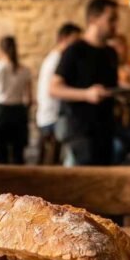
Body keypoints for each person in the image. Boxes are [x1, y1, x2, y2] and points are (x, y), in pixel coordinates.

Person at [50, 0, 119, 166]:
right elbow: (54, 88)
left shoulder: (111, 53)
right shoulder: (74, 51)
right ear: (93, 19)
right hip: (79, 131)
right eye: (111, 19)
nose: (115, 25)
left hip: (106, 129)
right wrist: (87, 94)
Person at [0, 36, 33, 164]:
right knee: (18, 155)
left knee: (1, 156)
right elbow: (29, 99)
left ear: (0, 50)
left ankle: (3, 183)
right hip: (19, 113)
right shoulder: (25, 70)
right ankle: (20, 183)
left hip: (1, 113)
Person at [37, 22, 82, 165]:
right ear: (63, 38)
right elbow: (55, 91)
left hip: (49, 116)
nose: (77, 46)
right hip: (53, 118)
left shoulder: (54, 58)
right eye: (75, 41)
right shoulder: (58, 60)